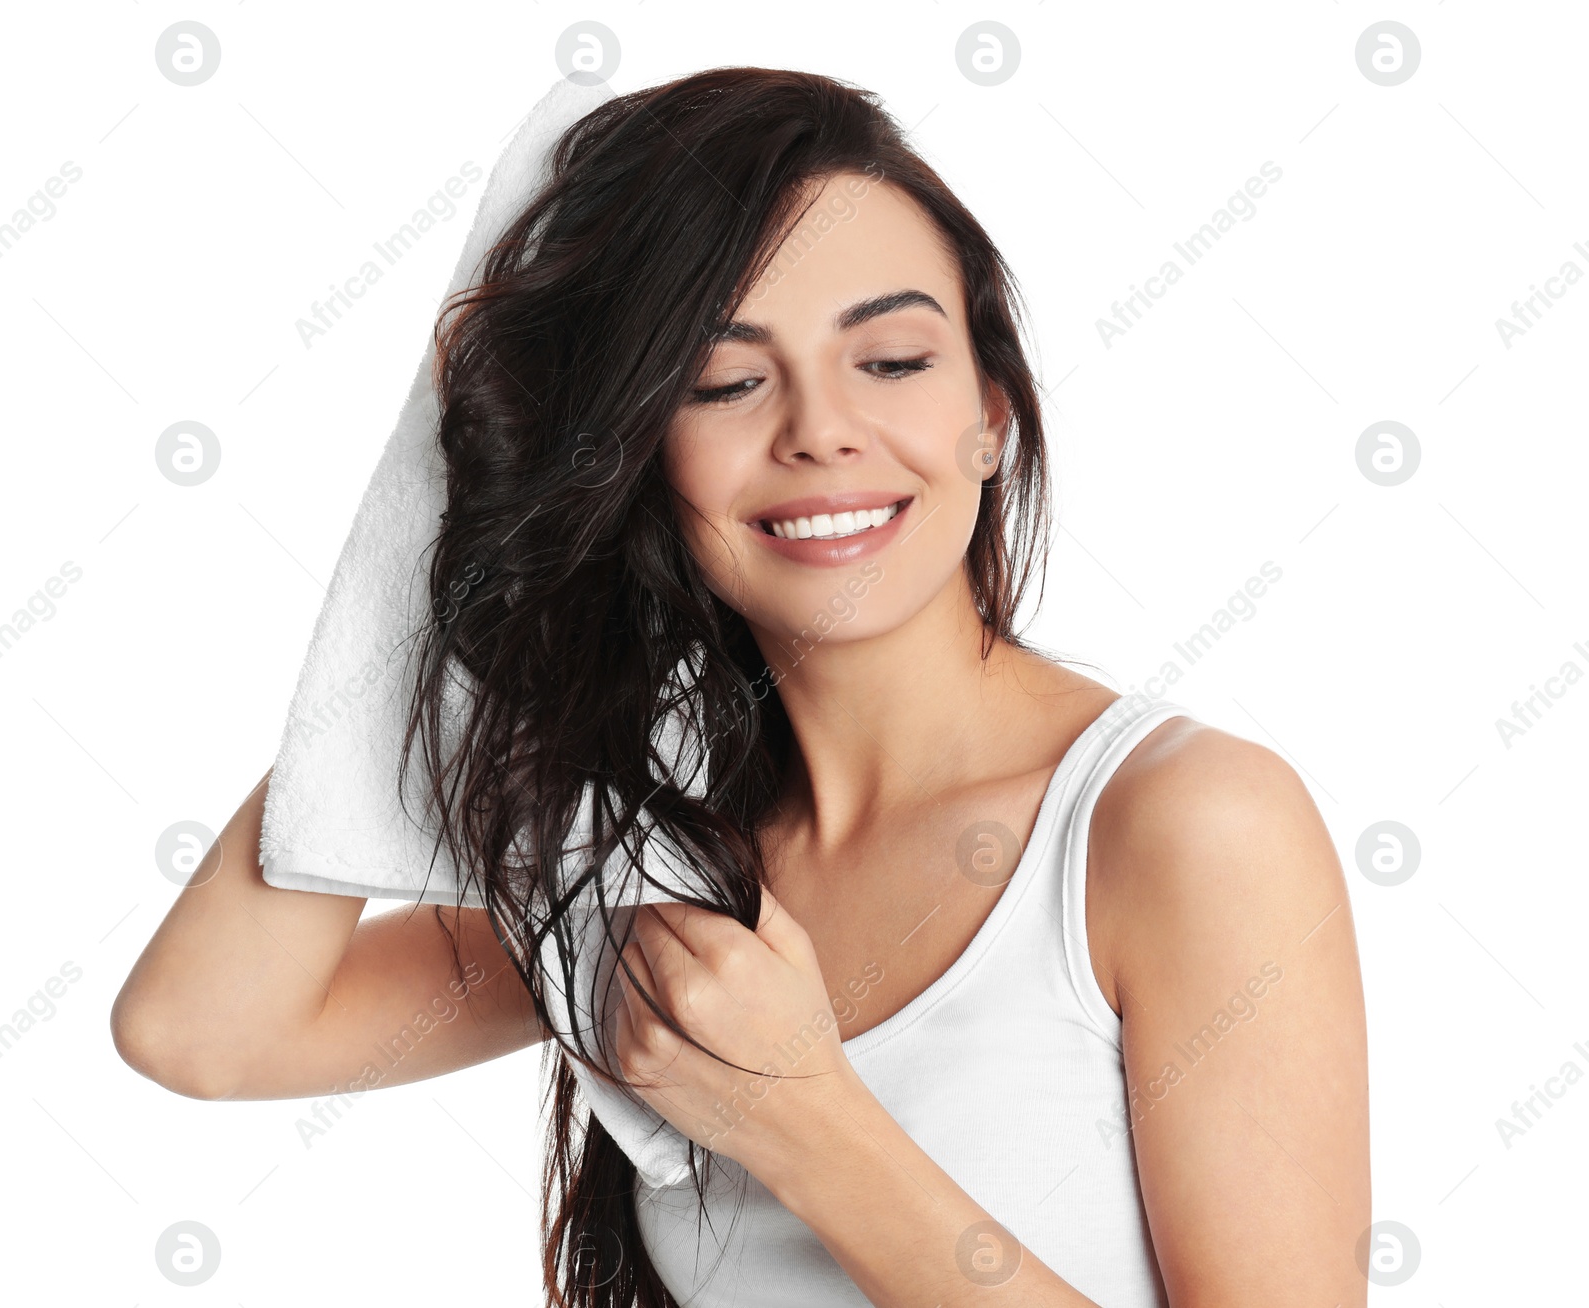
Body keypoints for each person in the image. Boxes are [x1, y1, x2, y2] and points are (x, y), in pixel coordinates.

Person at [112, 67, 1370, 1307]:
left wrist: (804, 1123)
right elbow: (206, 1031)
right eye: (724, 381)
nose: (820, 430)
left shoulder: (1186, 827)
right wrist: (458, 508)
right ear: (632, 451)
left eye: (889, 360)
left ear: (987, 415)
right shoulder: (639, 865)